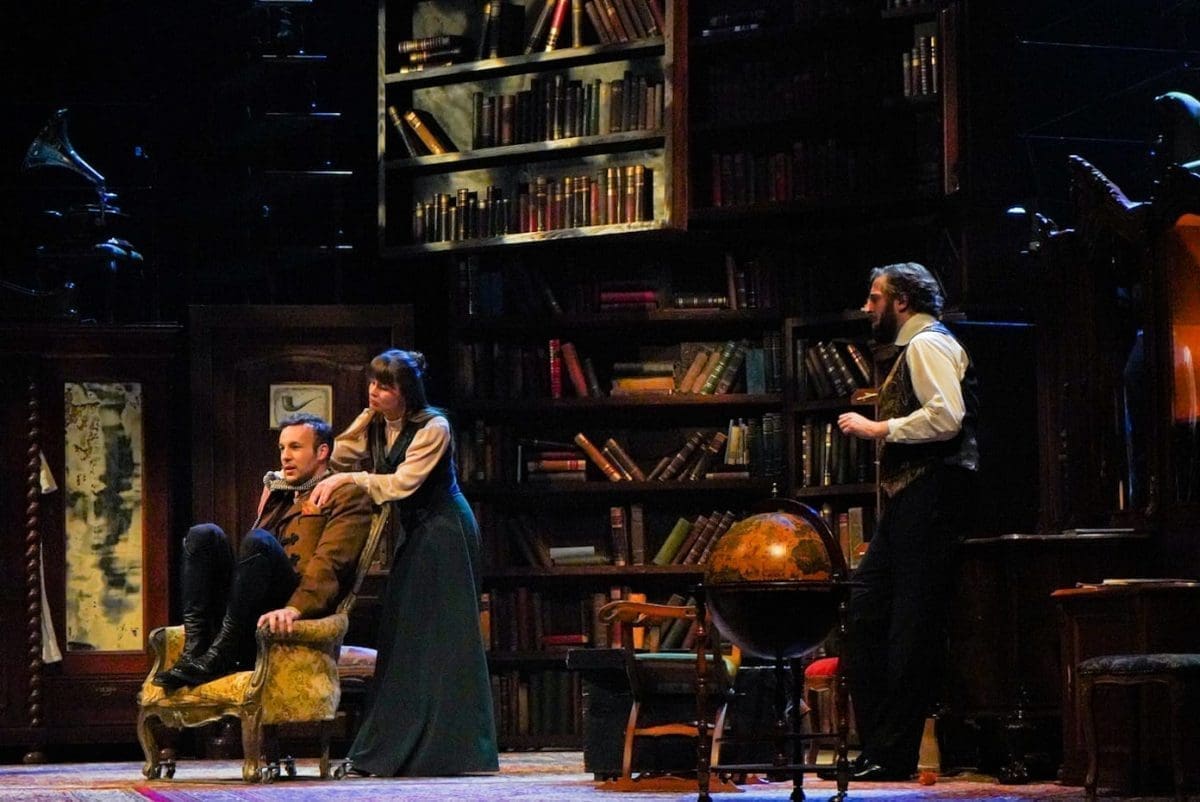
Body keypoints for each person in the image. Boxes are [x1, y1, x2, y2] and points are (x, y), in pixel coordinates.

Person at [309, 348, 498, 776]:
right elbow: (335, 457)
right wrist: (294, 475)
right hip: (417, 533)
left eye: (384, 386)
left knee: (445, 640)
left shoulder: (434, 427)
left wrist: (350, 478)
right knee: (405, 637)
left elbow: (402, 484)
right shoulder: (376, 423)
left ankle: (454, 750)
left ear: (406, 391)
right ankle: (395, 748)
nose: (374, 391)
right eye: (372, 383)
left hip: (446, 533)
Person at [834, 262, 979, 781]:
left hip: (930, 494)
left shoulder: (928, 344)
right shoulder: (912, 349)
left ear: (902, 302)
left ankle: (891, 753)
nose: (867, 307)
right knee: (868, 616)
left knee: (909, 629)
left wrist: (879, 427)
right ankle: (880, 748)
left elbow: (946, 416)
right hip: (909, 500)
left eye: (875, 298)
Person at [154, 412, 374, 690]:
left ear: (322, 452)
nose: (285, 456)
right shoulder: (280, 492)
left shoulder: (346, 495)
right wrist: (271, 498)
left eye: (295, 447)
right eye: (282, 448)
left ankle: (223, 653)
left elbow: (331, 564)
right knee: (203, 535)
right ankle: (194, 651)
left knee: (259, 541)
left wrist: (296, 608)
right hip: (252, 605)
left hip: (291, 603)